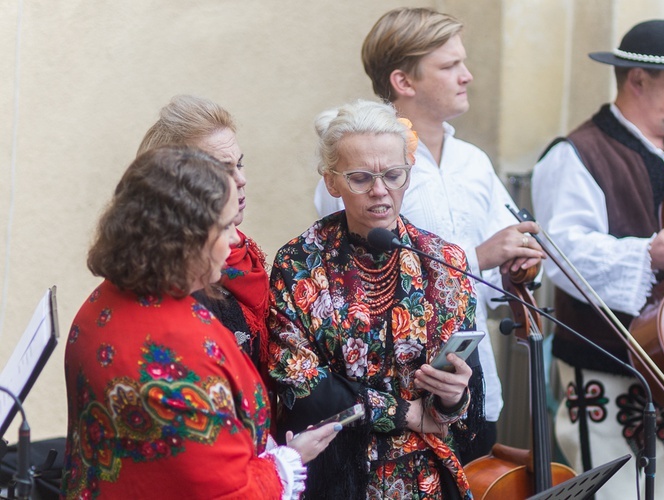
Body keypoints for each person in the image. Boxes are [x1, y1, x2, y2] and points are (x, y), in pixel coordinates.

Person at [314, 7, 545, 462]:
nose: (467, 76)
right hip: (398, 396)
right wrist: (479, 255)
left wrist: (519, 264)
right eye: (449, 65)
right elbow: (351, 273)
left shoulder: (474, 162)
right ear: (404, 81)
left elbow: (497, 286)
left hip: (474, 380)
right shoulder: (362, 167)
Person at [531, 20, 664, 499]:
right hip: (606, 366)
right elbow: (562, 253)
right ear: (637, 79)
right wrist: (648, 253)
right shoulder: (577, 154)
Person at [61, 146, 339, 499]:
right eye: (224, 228)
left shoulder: (105, 300)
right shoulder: (176, 352)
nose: (235, 239)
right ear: (185, 241)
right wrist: (290, 459)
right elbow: (227, 493)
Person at [269, 99, 483, 498]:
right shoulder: (298, 263)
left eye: (393, 174)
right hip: (336, 476)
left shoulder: (444, 262)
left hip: (427, 479)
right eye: (361, 178)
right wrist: (403, 413)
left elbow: (459, 389)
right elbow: (298, 382)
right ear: (332, 181)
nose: (380, 191)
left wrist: (454, 397)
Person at [138, 95, 272, 382]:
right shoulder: (177, 279)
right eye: (223, 170)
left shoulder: (242, 251)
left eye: (240, 163)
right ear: (176, 186)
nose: (240, 179)